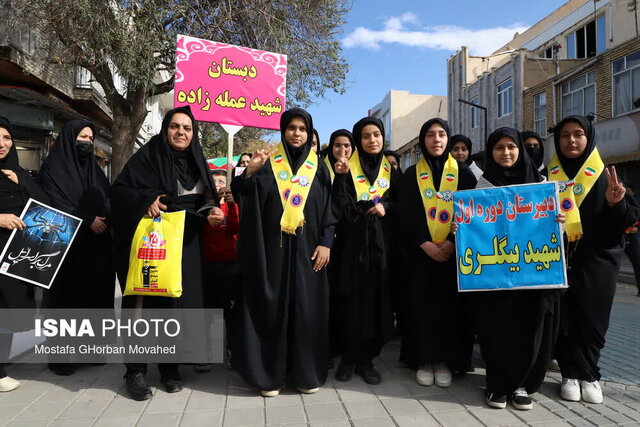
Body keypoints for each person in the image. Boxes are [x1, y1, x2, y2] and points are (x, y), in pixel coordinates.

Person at [111, 106, 223, 400]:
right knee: (143, 309)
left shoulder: (197, 162)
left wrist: (212, 210)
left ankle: (169, 367)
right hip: (152, 247)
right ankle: (134, 371)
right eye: (175, 126)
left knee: (176, 308)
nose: (181, 133)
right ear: (165, 129)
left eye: (187, 128)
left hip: (185, 247)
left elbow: (207, 198)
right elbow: (120, 191)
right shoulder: (147, 157)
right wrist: (145, 200)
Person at [230, 108, 335, 397]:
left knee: (306, 310)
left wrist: (326, 242)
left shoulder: (319, 166)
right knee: (272, 307)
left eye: (302, 128)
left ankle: (305, 372)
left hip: (308, 252)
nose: (297, 133)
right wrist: (250, 172)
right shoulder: (267, 162)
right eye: (291, 127)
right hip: (271, 251)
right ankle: (269, 375)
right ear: (283, 130)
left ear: (309, 132)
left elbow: (330, 209)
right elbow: (240, 192)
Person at [471, 127, 564, 411]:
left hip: (534, 275)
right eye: (498, 148)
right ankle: (497, 384)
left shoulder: (541, 184)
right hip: (496, 277)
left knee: (532, 328)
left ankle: (524, 384)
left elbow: (557, 227)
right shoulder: (482, 187)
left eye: (511, 146)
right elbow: (476, 229)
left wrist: (559, 218)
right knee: (497, 330)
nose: (506, 152)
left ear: (520, 149)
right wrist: (462, 228)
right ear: (491, 152)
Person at [550, 116, 639, 405]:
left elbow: (628, 220)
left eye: (578, 134)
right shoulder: (544, 176)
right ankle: (568, 373)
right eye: (565, 135)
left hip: (597, 263)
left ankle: (590, 374)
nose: (571, 140)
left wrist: (617, 203)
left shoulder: (605, 176)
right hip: (556, 262)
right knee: (563, 320)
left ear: (589, 138)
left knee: (592, 320)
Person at [398, 119, 477, 389]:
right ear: (423, 140)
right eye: (430, 135)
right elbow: (406, 215)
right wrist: (425, 243)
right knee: (421, 309)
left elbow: (472, 213)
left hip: (454, 257)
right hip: (419, 256)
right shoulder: (411, 176)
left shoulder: (465, 174)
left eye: (442, 134)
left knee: (450, 311)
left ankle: (445, 360)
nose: (436, 140)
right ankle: (423, 359)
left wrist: (453, 241)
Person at [39, 119, 115, 376]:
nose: (88, 142)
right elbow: (52, 203)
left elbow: (107, 197)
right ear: (70, 139)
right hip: (67, 246)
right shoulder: (53, 169)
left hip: (97, 247)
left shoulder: (94, 169)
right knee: (66, 300)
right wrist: (86, 219)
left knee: (94, 297)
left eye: (91, 139)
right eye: (83, 137)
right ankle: (62, 358)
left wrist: (106, 217)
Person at [331, 117, 398, 385]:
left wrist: (387, 207)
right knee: (350, 304)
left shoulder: (391, 170)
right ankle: (348, 359)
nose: (372, 140)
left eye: (377, 135)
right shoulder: (347, 169)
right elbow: (339, 207)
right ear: (358, 141)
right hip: (351, 250)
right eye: (366, 136)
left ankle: (367, 360)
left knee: (376, 305)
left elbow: (402, 202)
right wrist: (341, 177)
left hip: (381, 251)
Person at [0, 117, 50, 391]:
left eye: (7, 138)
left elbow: (43, 203)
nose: (2, 143)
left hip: (16, 257)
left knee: (11, 310)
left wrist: (21, 180)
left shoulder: (17, 172)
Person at [200, 170, 241, 369]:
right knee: (206, 312)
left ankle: (233, 350)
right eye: (214, 181)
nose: (218, 184)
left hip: (229, 265)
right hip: (206, 265)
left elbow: (235, 227)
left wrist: (232, 205)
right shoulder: (203, 206)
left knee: (231, 313)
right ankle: (206, 352)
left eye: (222, 181)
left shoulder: (231, 205)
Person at [323, 129, 354, 365]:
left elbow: (346, 209)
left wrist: (343, 177)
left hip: (346, 244)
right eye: (337, 146)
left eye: (346, 146)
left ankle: (342, 348)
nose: (342, 151)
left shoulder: (358, 172)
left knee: (343, 297)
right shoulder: (319, 169)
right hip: (323, 243)